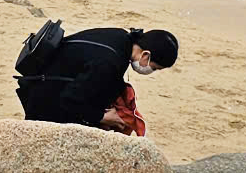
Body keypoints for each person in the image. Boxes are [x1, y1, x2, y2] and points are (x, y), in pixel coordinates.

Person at [15, 26, 179, 129]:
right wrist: (102, 117)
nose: (151, 70)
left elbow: (102, 81)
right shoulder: (109, 62)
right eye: (155, 68)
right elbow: (69, 100)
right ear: (146, 55)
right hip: (45, 101)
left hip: (45, 82)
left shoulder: (120, 38)